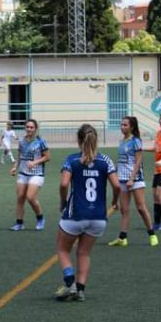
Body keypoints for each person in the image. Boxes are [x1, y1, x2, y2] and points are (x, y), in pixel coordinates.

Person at [54, 124, 120, 302]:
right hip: (98, 217)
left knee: (62, 249)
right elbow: (117, 185)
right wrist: (114, 201)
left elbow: (63, 184)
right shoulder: (105, 160)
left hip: (76, 215)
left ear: (78, 140)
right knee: (84, 253)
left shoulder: (72, 160)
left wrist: (63, 201)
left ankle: (70, 282)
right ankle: (80, 289)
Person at [108, 116, 158, 247]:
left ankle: (152, 234)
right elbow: (122, 161)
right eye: (121, 124)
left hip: (135, 179)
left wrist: (131, 179)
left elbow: (138, 161)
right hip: (122, 179)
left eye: (125, 125)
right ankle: (122, 238)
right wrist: (114, 172)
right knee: (124, 210)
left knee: (141, 207)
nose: (122, 127)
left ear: (132, 127)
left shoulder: (136, 141)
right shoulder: (122, 141)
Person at [9, 119, 49, 231]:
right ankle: (19, 223)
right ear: (25, 128)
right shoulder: (21, 141)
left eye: (31, 127)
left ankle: (40, 218)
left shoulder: (41, 141)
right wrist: (14, 167)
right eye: (27, 127)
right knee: (20, 198)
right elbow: (19, 156)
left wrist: (35, 162)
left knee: (30, 197)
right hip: (23, 173)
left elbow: (47, 157)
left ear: (35, 128)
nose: (29, 129)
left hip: (37, 173)